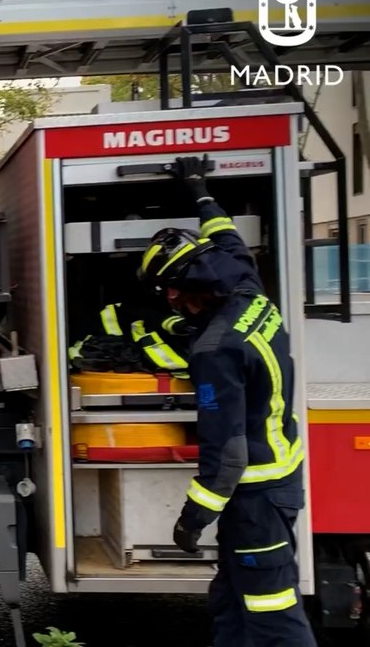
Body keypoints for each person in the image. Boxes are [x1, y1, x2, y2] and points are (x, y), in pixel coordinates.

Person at [138, 155, 315, 647]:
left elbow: (228, 455)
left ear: (184, 285)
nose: (171, 302)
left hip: (255, 494)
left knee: (272, 614)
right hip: (279, 480)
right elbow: (225, 233)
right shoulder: (246, 283)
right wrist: (199, 188)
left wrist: (192, 519)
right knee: (232, 597)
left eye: (171, 292)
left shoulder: (215, 351)